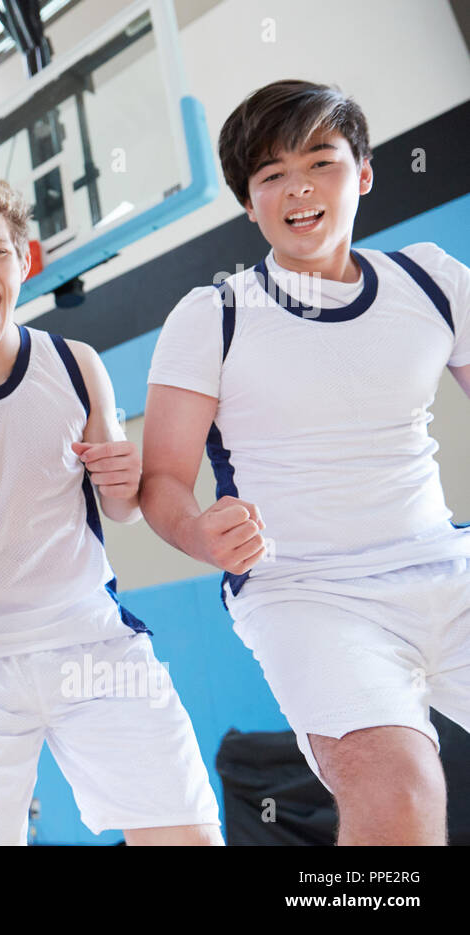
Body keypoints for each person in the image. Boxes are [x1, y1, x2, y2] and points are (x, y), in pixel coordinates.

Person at [142, 79, 470, 845]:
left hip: (443, 566)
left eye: (320, 160)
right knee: (401, 791)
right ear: (248, 202)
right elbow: (162, 483)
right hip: (307, 592)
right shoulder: (212, 315)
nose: (298, 187)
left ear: (362, 172)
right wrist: (200, 534)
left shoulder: (431, 278)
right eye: (270, 175)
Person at [0, 174, 222, 845]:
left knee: (189, 836)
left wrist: (124, 476)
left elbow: (119, 507)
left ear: (24, 262)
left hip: (87, 635)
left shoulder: (76, 364)